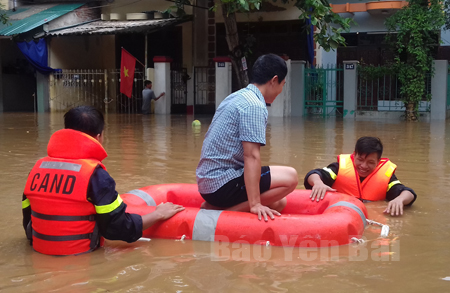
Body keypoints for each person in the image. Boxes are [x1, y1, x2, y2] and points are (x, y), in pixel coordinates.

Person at [22, 106, 184, 256]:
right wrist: (158, 214)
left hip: (40, 253)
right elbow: (119, 229)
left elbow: (28, 221)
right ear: (99, 137)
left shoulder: (36, 169)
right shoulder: (95, 176)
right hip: (82, 258)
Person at [196, 54, 298, 222]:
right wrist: (255, 204)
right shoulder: (254, 106)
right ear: (274, 80)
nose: (281, 91)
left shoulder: (237, 96)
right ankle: (222, 213)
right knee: (291, 178)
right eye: (282, 85)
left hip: (208, 182)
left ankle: (216, 207)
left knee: (279, 202)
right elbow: (251, 155)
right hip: (221, 183)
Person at [304, 136, 417, 216]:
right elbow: (314, 174)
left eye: (370, 162)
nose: (364, 166)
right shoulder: (338, 168)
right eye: (360, 159)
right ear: (354, 155)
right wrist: (318, 183)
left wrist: (400, 200)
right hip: (339, 214)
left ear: (378, 161)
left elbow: (408, 193)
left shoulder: (386, 177)